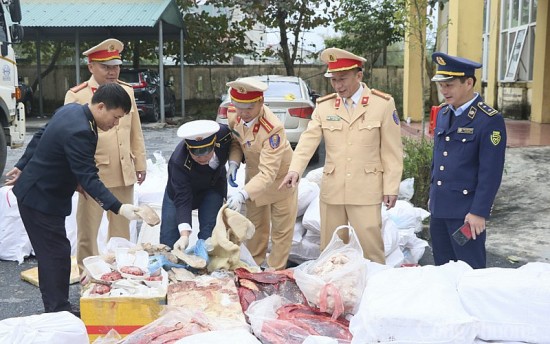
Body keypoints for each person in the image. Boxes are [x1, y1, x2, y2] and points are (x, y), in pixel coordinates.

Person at [4, 83, 141, 313]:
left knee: (55, 252)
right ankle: (58, 310)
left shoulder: (73, 111)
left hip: (42, 192)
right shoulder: (81, 130)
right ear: (101, 106)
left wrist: (21, 165)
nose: (116, 124)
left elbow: (40, 135)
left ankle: (58, 306)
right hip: (40, 198)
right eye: (116, 117)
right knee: (54, 255)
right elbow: (88, 176)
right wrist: (119, 207)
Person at [279, 47, 403, 264]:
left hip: (366, 188)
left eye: (343, 79)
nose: (338, 85)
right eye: (333, 80)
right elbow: (308, 140)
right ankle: (334, 292)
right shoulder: (325, 106)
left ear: (359, 75)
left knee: (370, 249)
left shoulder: (381, 104)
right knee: (330, 251)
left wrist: (391, 187)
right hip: (333, 190)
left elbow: (392, 151)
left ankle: (373, 291)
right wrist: (295, 169)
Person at [64, 38, 147, 273]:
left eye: (116, 66)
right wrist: (75, 176)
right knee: (88, 233)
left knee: (122, 231)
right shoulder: (78, 96)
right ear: (91, 67)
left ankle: (121, 275)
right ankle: (87, 277)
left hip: (123, 172)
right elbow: (68, 141)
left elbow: (135, 131)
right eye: (106, 67)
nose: (112, 72)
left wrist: (139, 162)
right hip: (93, 176)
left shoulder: (126, 91)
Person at [428, 52, 506, 269]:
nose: (444, 91)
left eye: (450, 85)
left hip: (466, 215)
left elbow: (491, 172)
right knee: (443, 272)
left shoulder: (488, 120)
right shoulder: (444, 113)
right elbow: (438, 159)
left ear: (469, 82)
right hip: (440, 210)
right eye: (442, 85)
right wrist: (431, 197)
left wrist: (479, 212)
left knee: (471, 274)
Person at [225, 77, 297, 270]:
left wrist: (242, 194)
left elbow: (269, 173)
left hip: (280, 180)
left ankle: (275, 271)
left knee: (281, 231)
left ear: (260, 102)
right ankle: (254, 268)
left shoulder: (273, 128)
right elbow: (236, 142)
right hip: (254, 178)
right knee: (255, 228)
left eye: (248, 108)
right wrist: (233, 162)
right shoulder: (235, 115)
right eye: (239, 107)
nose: (243, 113)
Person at [160, 120, 232, 251]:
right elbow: (182, 199)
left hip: (213, 187)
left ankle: (205, 264)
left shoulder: (224, 135)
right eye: (197, 155)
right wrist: (184, 235)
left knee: (209, 232)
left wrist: (235, 162)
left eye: (207, 152)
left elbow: (241, 143)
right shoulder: (178, 162)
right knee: (168, 238)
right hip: (179, 193)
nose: (203, 158)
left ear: (215, 143)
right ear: (188, 148)